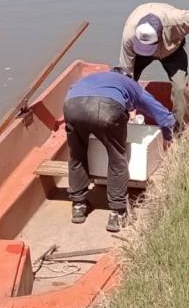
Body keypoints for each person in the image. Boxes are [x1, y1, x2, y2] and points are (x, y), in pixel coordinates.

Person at [63, 67, 175, 231]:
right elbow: (164, 117)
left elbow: (75, 96)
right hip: (106, 109)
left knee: (77, 155)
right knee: (116, 157)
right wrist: (169, 138)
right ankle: (118, 212)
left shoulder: (91, 77)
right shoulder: (130, 84)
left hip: (72, 107)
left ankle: (78, 205)